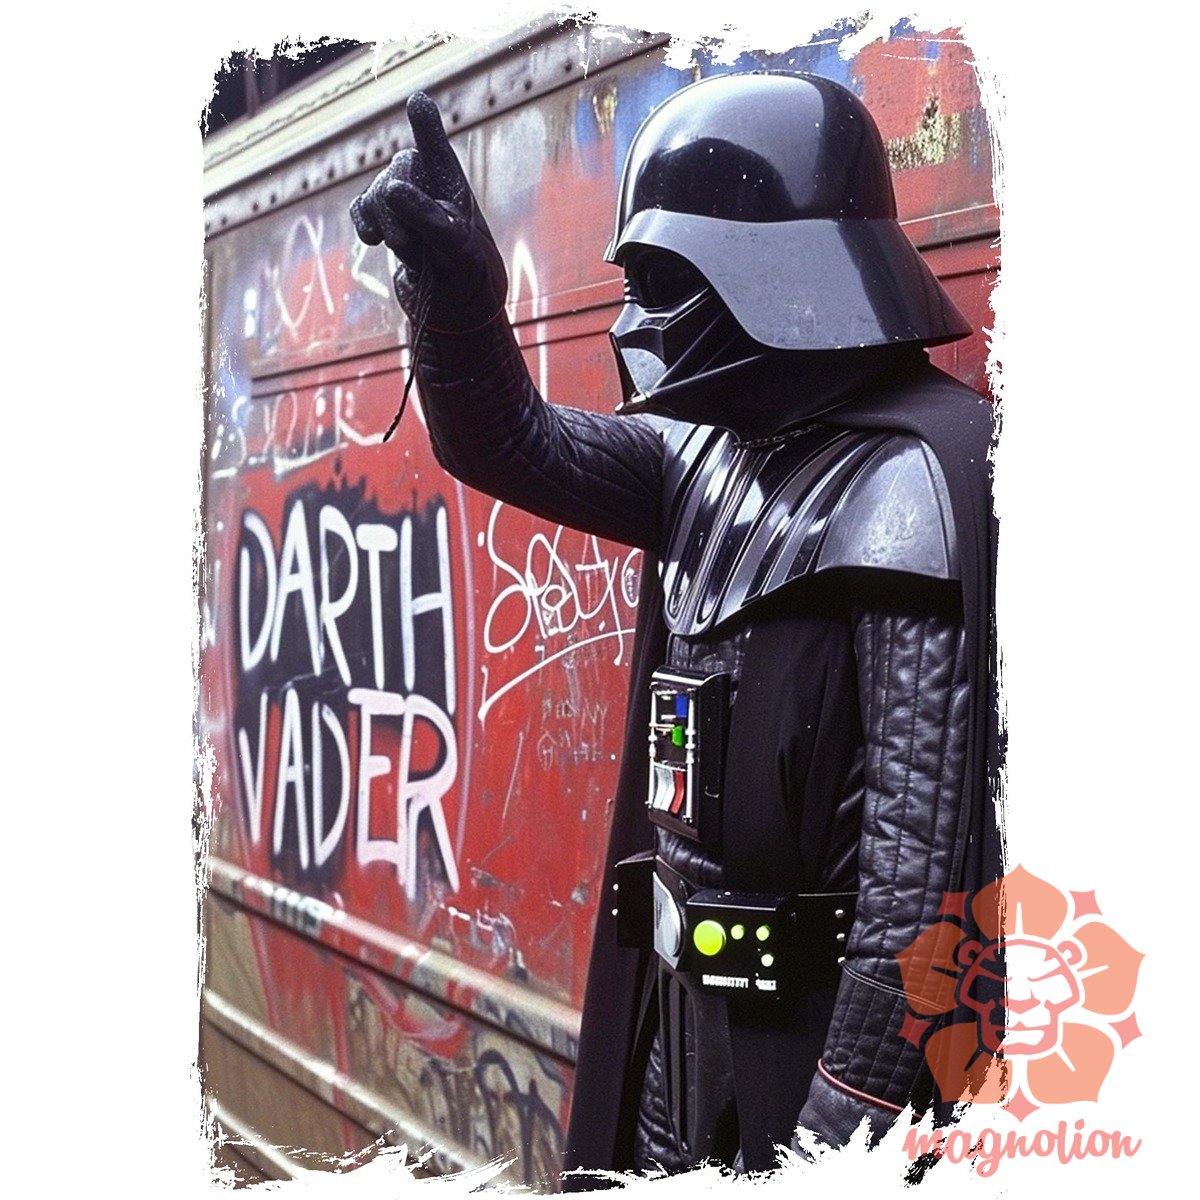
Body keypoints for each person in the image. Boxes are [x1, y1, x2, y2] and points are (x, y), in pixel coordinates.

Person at [351, 71, 1002, 1179]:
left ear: (768, 270)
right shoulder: (700, 456)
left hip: (823, 1054)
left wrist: (841, 1132)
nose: (632, 322)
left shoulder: (915, 481)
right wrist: (458, 302)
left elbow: (917, 881)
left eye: (660, 281)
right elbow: (510, 441)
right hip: (682, 1029)